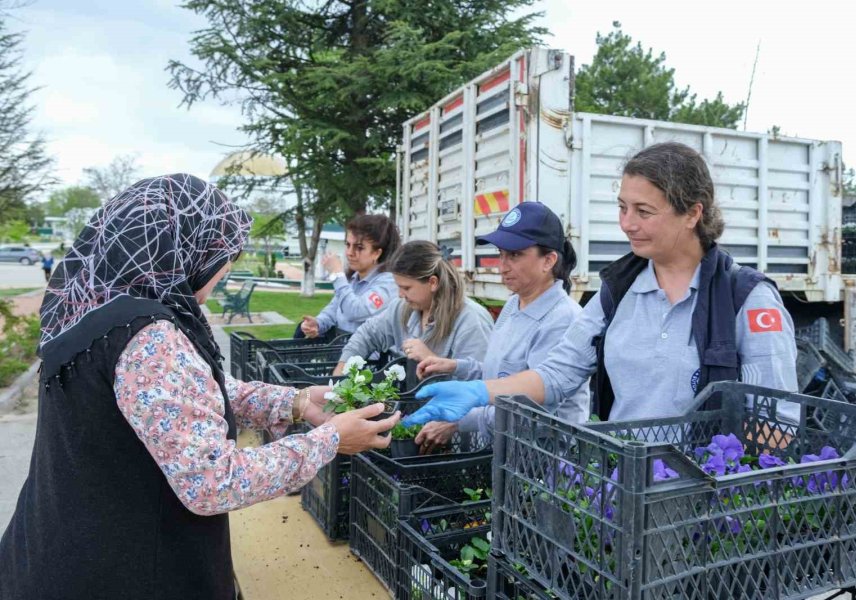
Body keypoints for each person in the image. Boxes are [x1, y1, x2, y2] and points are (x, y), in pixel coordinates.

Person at [0, 174, 399, 600]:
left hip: (57, 546)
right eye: (225, 255)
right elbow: (214, 482)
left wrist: (295, 401)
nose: (226, 269)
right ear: (189, 248)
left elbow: (188, 394)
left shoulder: (94, 304)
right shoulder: (147, 337)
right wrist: (331, 439)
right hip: (124, 570)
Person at [403, 142, 799, 428]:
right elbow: (557, 374)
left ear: (692, 213)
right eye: (623, 207)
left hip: (703, 502)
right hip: (628, 489)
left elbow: (777, 422)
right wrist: (480, 392)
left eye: (643, 211)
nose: (626, 223)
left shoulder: (745, 298)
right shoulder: (617, 291)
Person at [413, 202, 590, 447]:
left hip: (544, 462)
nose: (502, 266)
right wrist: (455, 366)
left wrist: (457, 421)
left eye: (515, 255)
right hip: (506, 453)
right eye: (501, 254)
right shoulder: (513, 305)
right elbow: (501, 375)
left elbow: (535, 411)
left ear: (548, 260)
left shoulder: (562, 320)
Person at [329, 240, 494, 382]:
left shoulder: (471, 320)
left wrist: (432, 360)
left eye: (406, 288)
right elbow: (367, 335)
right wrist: (341, 374)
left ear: (433, 283)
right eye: (399, 287)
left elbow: (480, 384)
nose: (401, 295)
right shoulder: (402, 308)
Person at [296, 214, 400, 340]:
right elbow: (334, 309)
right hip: (344, 352)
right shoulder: (354, 278)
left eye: (359, 247)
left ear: (377, 253)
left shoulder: (388, 283)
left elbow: (356, 311)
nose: (349, 253)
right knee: (299, 331)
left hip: (369, 357)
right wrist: (317, 324)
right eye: (348, 245)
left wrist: (337, 274)